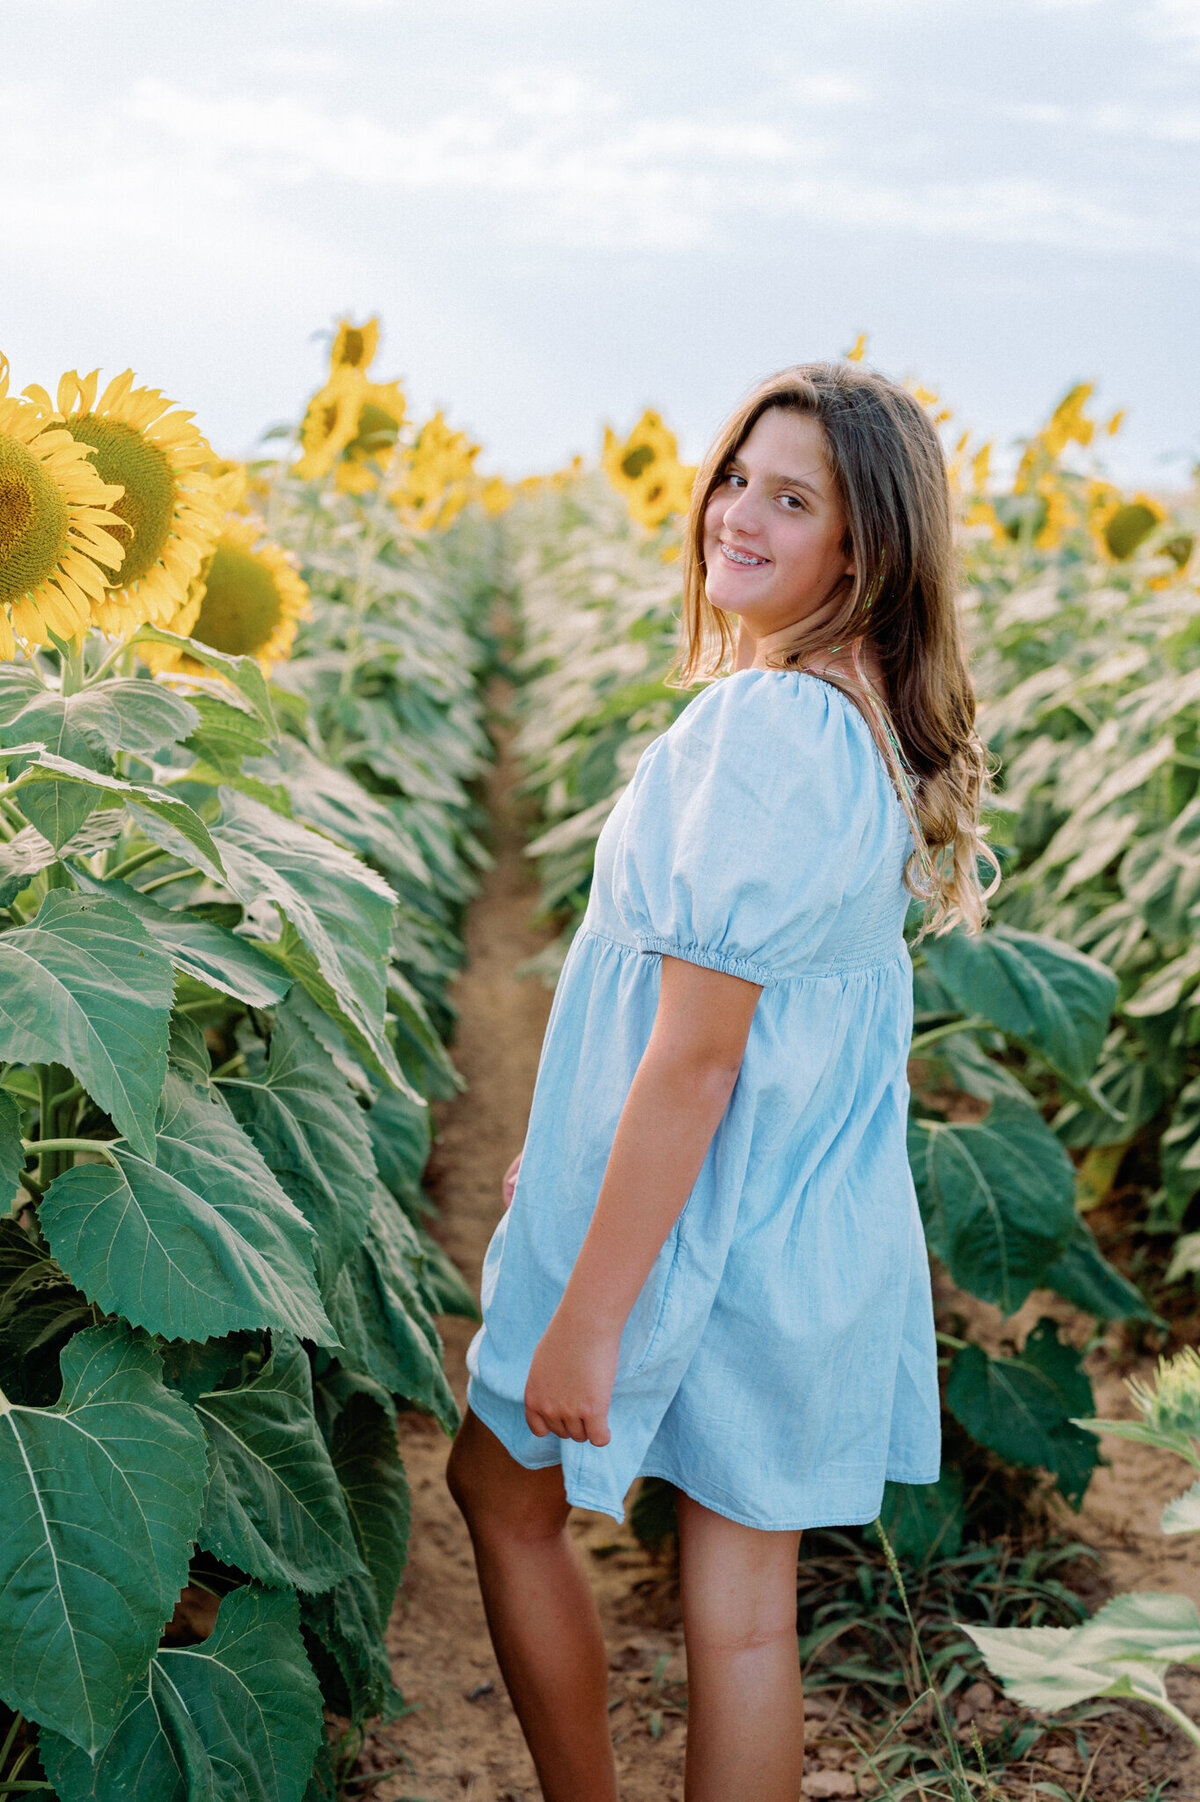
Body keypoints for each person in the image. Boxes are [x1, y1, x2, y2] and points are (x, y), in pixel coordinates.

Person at [446, 361, 1000, 1802]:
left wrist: (588, 1317)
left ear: (861, 549)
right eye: (739, 477)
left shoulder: (760, 734)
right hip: (799, 1220)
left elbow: (693, 1062)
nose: (737, 514)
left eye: (792, 496)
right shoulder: (860, 720)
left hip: (676, 1212)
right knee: (744, 1620)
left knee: (499, 1501)